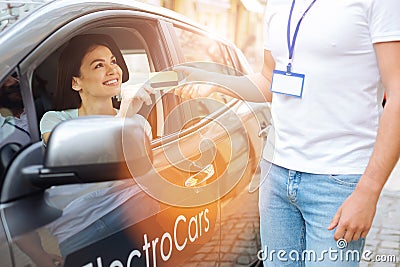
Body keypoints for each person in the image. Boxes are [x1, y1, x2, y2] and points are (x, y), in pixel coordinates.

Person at [174, 0, 400, 266]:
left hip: (337, 182)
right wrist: (215, 82)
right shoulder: (278, 4)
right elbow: (269, 80)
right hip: (276, 176)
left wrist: (369, 192)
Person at [18, 34, 158, 265]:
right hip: (78, 231)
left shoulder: (137, 123)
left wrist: (126, 118)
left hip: (136, 218)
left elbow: (143, 176)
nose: (112, 69)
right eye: (99, 65)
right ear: (76, 82)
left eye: (113, 61)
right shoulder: (55, 121)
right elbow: (71, 156)